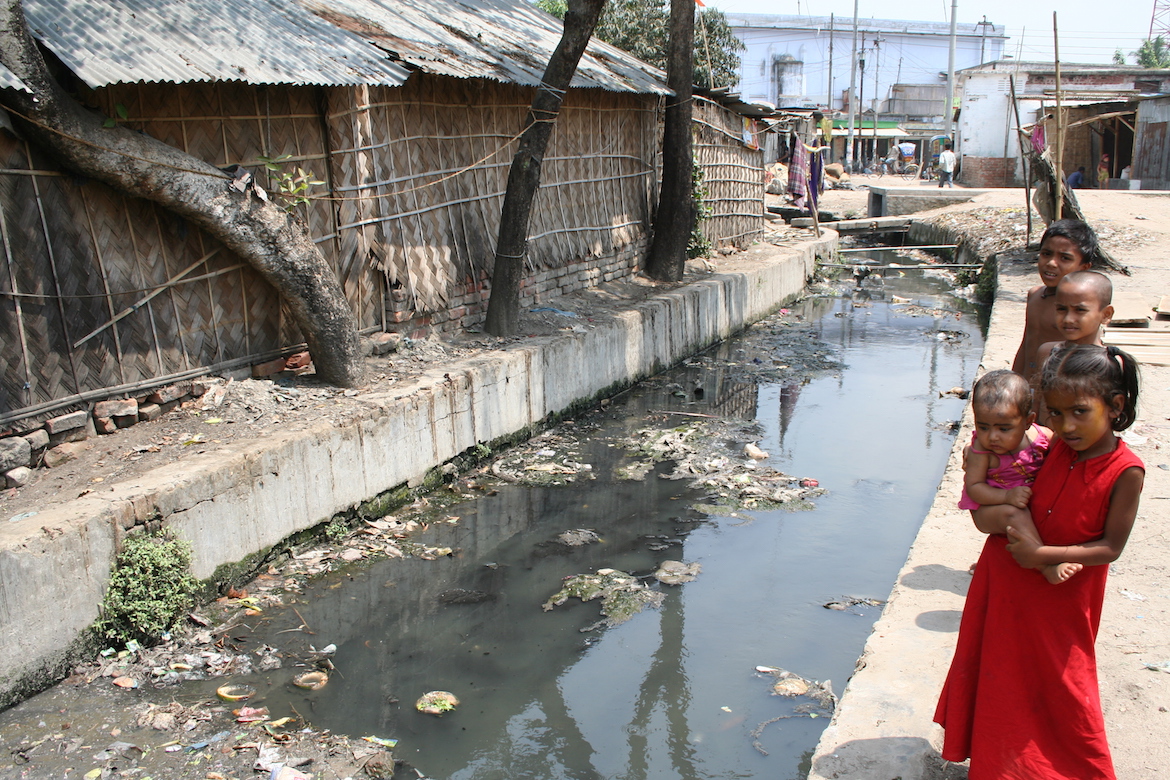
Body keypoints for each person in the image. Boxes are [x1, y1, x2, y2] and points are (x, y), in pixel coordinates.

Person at [936, 344, 1145, 779]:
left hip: (1064, 599)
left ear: (1116, 405)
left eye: (1080, 412)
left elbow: (1111, 548)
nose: (1066, 425)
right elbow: (984, 508)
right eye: (1055, 413)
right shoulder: (1051, 447)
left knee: (1064, 690)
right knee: (1003, 680)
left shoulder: (1124, 470)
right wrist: (981, 471)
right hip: (1006, 584)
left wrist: (1041, 556)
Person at [958, 370, 1077, 584]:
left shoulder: (1041, 438)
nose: (992, 436)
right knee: (1015, 515)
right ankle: (1045, 564)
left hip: (1024, 498)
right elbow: (974, 487)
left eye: (1004, 428)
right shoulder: (982, 451)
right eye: (983, 426)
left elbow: (1060, 450)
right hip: (990, 509)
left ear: (1028, 421)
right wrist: (1006, 497)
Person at [1011, 219, 1101, 384]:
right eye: (1046, 254)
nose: (1051, 263)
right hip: (1026, 383)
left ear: (1084, 267)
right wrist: (1014, 380)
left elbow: (1089, 350)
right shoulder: (1035, 295)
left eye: (1065, 258)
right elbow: (1026, 344)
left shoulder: (1078, 309)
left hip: (1057, 387)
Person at [1034, 270, 1114, 370]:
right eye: (1061, 309)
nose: (1068, 319)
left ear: (1106, 315)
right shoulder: (1047, 352)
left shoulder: (1111, 362)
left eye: (1080, 310)